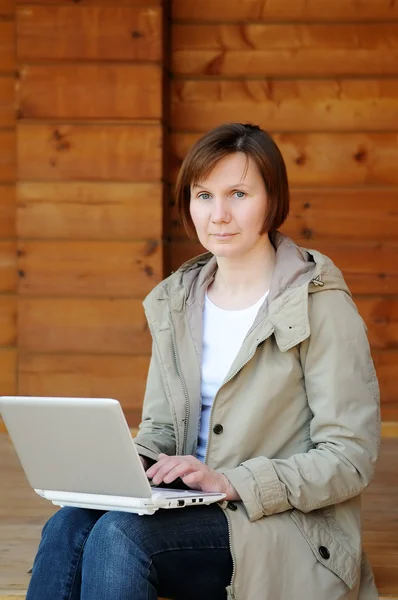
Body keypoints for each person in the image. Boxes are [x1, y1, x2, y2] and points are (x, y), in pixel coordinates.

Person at [26, 123, 381, 600]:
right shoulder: (177, 302)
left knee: (120, 537)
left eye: (238, 193)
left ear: (272, 200)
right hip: (186, 510)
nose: (220, 215)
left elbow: (349, 458)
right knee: (68, 526)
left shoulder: (320, 304)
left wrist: (229, 482)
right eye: (203, 195)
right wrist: (129, 465)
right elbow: (160, 431)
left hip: (283, 529)